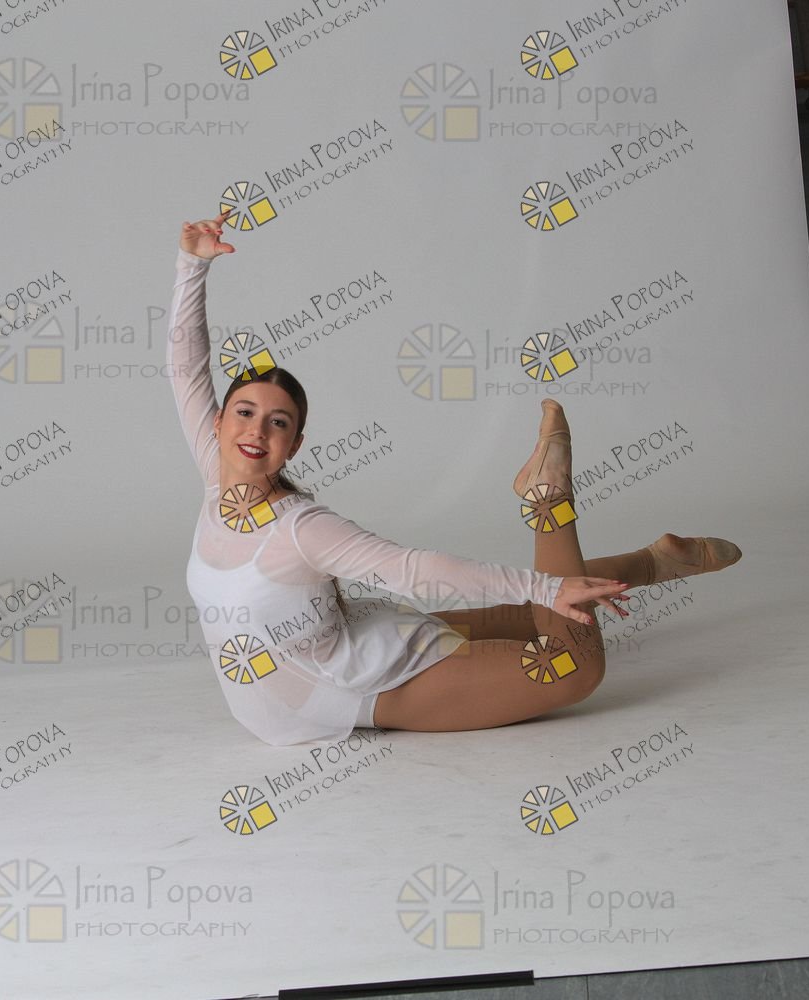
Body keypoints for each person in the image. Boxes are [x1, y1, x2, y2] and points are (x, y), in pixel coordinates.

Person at [168, 210, 741, 746]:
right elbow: (186, 369)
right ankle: (652, 562)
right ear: (219, 422)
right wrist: (192, 264)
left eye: (278, 422)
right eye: (244, 412)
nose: (256, 430)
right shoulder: (217, 477)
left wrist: (547, 588)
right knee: (529, 611)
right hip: (345, 654)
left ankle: (549, 503)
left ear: (294, 444)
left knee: (573, 667)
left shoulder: (302, 529)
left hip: (369, 687)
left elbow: (413, 571)